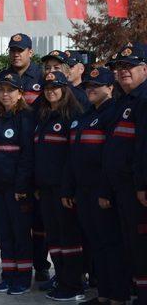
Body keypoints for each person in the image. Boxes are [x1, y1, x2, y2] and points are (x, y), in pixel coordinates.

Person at [63, 67, 130, 305]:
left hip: (103, 192)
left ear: (110, 87)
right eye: (88, 86)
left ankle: (118, 296)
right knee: (96, 244)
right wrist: (70, 189)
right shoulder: (85, 115)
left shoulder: (114, 114)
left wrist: (105, 191)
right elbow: (75, 156)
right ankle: (103, 294)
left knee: (111, 245)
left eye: (96, 86)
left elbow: (111, 158)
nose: (90, 90)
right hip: (84, 191)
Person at [0, 33, 50, 282]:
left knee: (34, 227)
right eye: (13, 50)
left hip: (29, 170)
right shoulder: (0, 80)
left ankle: (37, 268)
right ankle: (12, 273)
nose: (16, 54)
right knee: (8, 230)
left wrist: (26, 181)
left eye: (21, 50)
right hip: (3, 179)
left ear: (30, 52)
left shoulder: (43, 79)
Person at [34, 71, 85, 301]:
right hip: (45, 189)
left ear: (65, 89)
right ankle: (61, 279)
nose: (51, 91)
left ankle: (73, 284)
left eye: (55, 87)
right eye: (47, 88)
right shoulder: (44, 116)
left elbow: (73, 158)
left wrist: (67, 188)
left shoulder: (72, 115)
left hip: (63, 190)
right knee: (53, 238)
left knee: (69, 239)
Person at [102, 43, 147, 304]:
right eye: (119, 67)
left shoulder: (143, 100)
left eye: (129, 67)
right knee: (130, 246)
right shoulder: (123, 102)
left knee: (141, 248)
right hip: (122, 190)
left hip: (137, 190)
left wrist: (143, 185)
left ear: (144, 68)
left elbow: (143, 148)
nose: (123, 72)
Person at [0, 72, 34, 295]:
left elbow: (27, 155)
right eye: (2, 90)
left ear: (20, 93)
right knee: (4, 234)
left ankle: (23, 278)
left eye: (10, 90)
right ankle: (8, 275)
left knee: (20, 234)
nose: (5, 94)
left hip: (17, 189)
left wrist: (21, 187)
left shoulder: (25, 117)